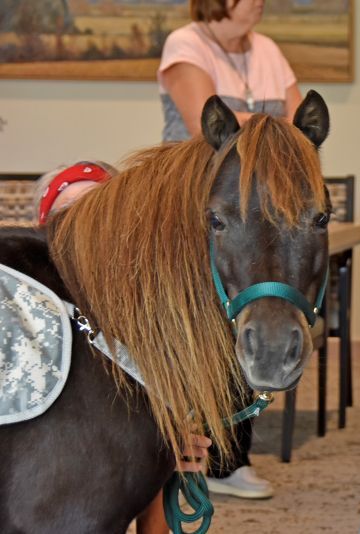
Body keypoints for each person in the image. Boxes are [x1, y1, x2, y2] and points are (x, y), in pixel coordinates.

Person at [157, 0, 291, 498]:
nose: (258, 2)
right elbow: (205, 126)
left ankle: (231, 458)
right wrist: (273, 131)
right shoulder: (185, 45)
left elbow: (298, 130)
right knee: (201, 331)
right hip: (197, 208)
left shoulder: (269, 51)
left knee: (251, 314)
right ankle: (186, 455)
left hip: (257, 215)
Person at [35, 162, 214, 534]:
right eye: (66, 216)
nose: (80, 231)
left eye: (96, 212)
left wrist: (167, 444)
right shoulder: (22, 311)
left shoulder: (143, 321)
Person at [157, 0, 301, 142]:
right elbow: (207, 127)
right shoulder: (185, 43)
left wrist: (247, 122)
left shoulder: (268, 47)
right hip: (197, 165)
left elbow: (300, 125)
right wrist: (277, 126)